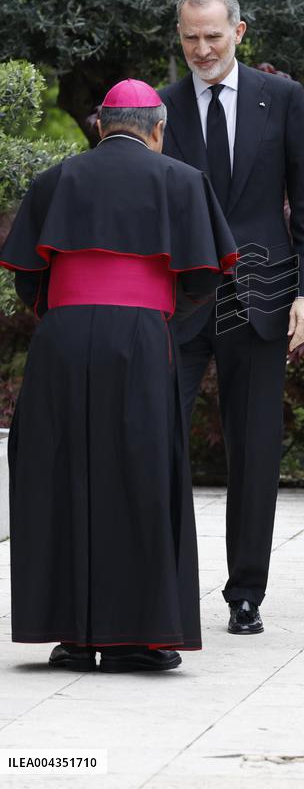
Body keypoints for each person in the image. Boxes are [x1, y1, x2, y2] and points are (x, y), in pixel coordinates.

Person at [0, 79, 237, 671]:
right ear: (159, 130)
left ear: (102, 125)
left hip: (61, 338)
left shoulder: (55, 180)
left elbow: (27, 274)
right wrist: (151, 314)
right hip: (139, 335)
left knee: (63, 470)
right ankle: (136, 637)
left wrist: (70, 313)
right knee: (139, 472)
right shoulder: (183, 180)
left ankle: (72, 637)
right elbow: (205, 277)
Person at [159, 0, 304, 636]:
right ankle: (162, 587)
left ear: (240, 31)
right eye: (189, 38)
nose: (201, 49)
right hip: (175, 302)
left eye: (212, 36)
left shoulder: (280, 98)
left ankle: (245, 594)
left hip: (263, 300)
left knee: (255, 454)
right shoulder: (162, 107)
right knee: (155, 440)